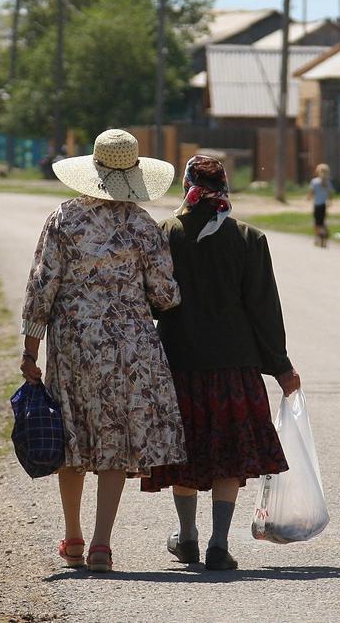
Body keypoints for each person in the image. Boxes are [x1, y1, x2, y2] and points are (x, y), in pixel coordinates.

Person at [20, 129, 187, 574]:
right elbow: (166, 295)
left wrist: (29, 350)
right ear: (132, 175)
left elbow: (42, 286)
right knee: (113, 440)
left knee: (72, 436)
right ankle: (101, 545)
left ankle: (72, 537)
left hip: (73, 343)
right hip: (129, 347)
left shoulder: (63, 219)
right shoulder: (142, 225)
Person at [142, 154, 302, 571]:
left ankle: (188, 537)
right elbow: (264, 309)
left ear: (187, 189)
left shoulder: (166, 234)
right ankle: (218, 543)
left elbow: (153, 301)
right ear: (225, 190)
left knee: (187, 449)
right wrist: (281, 366)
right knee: (227, 453)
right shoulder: (249, 239)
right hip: (235, 367)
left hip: (179, 363)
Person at [307, 163, 336, 247]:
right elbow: (330, 193)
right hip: (323, 205)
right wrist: (330, 201)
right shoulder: (327, 182)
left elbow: (311, 192)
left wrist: (308, 198)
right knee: (322, 222)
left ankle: (317, 238)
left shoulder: (314, 181)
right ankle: (324, 236)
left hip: (316, 204)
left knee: (316, 222)